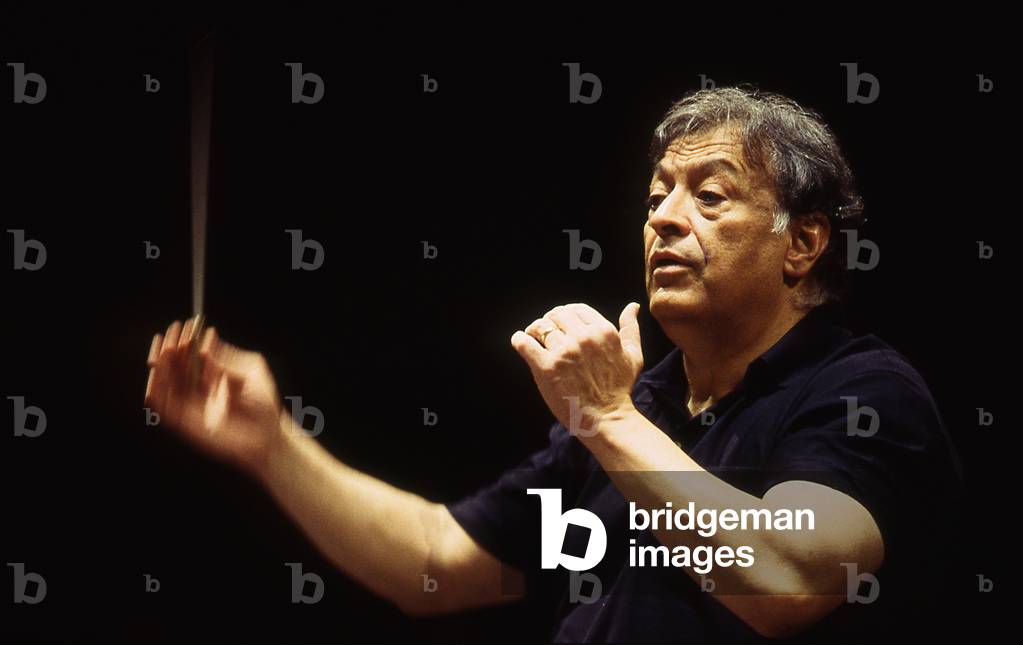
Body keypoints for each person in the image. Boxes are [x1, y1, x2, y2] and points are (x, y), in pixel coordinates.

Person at [144, 86, 964, 642]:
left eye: (708, 196)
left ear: (804, 241)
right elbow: (435, 562)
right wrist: (271, 443)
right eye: (654, 199)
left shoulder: (861, 392)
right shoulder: (646, 403)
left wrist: (608, 418)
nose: (665, 221)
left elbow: (786, 579)